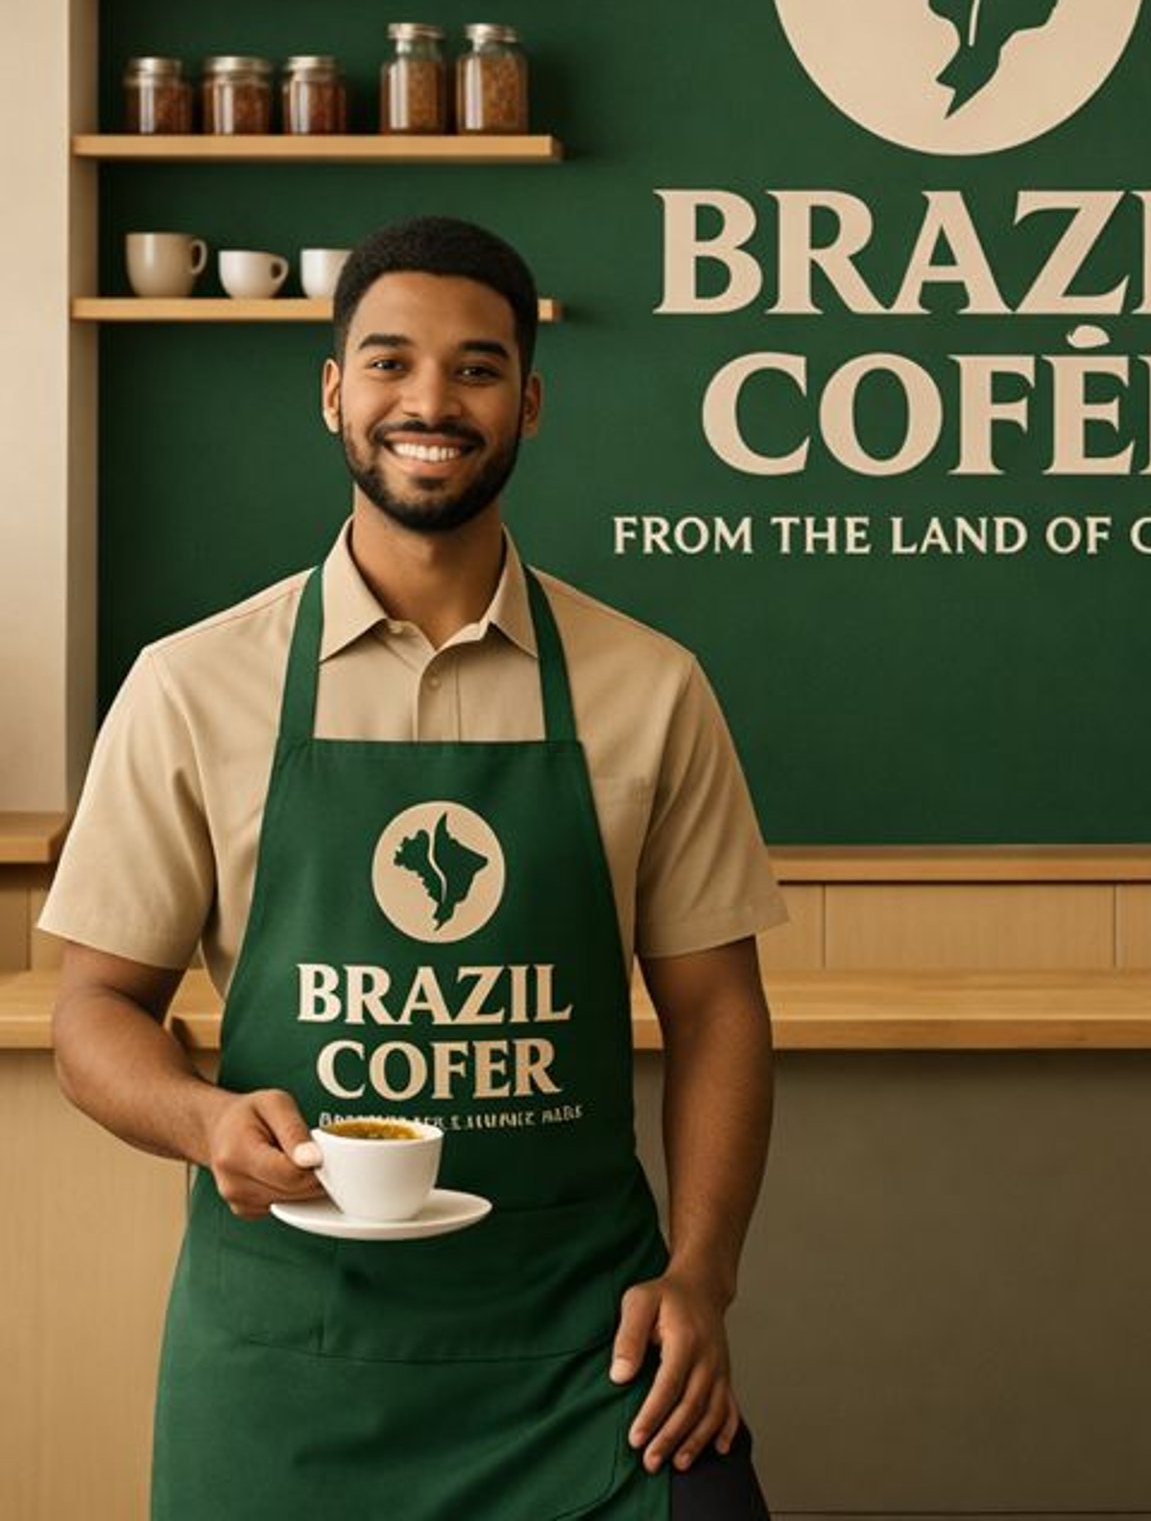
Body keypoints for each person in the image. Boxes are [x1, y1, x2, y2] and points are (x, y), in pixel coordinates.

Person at [43, 215, 785, 1520]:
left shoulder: (650, 689)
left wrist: (705, 1278)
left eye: (477, 368)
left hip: (587, 1358)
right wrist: (208, 1120)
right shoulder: (191, 686)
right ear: (335, 392)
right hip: (284, 1371)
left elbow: (718, 1010)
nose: (430, 400)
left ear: (530, 404)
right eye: (389, 362)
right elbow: (94, 1012)